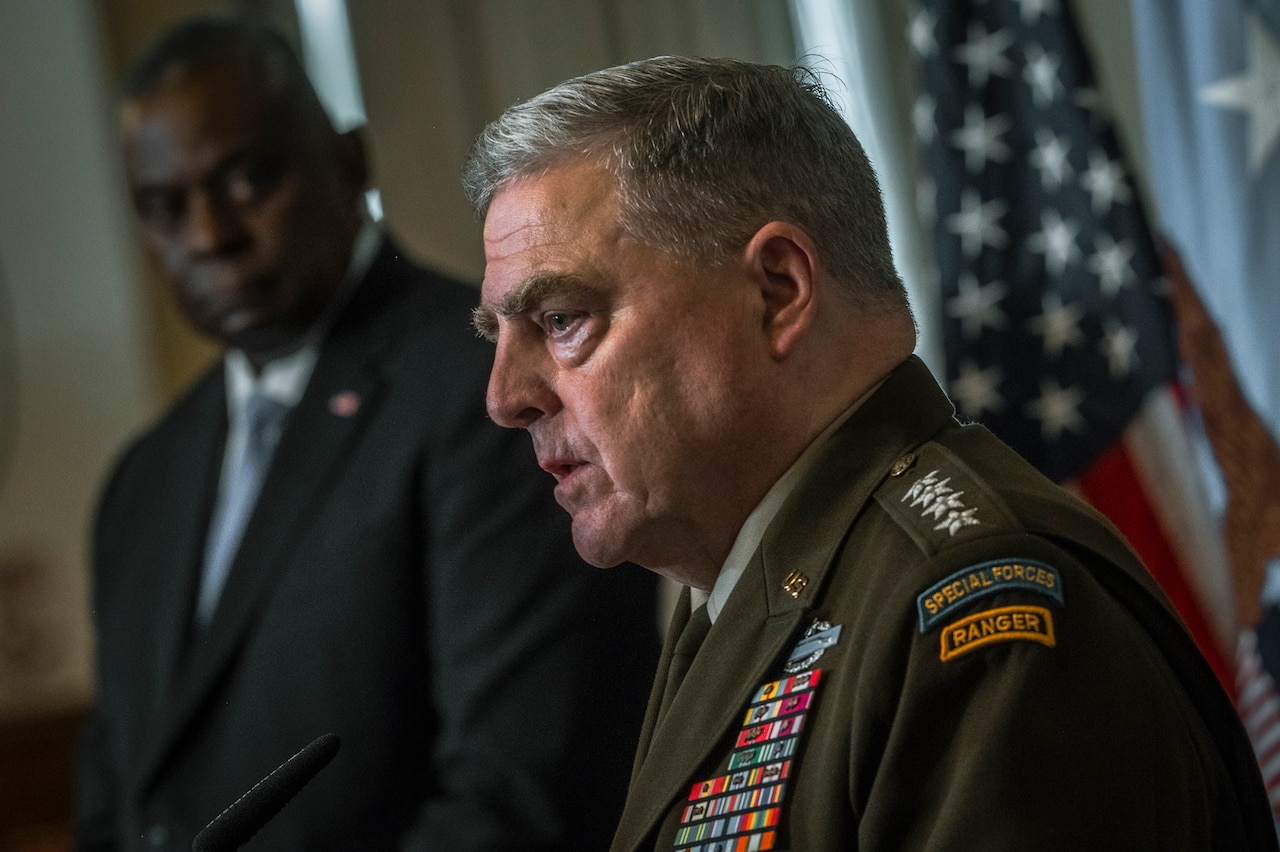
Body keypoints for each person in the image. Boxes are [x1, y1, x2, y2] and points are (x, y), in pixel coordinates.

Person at [462, 56, 1280, 851]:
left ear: (777, 292)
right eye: (496, 336)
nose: (506, 397)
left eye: (562, 319)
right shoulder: (746, 590)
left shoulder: (970, 611)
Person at [76, 15, 658, 852]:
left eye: (246, 180)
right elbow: (116, 806)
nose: (210, 236)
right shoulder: (142, 479)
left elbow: (524, 793)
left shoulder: (493, 395)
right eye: (166, 208)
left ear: (348, 162)